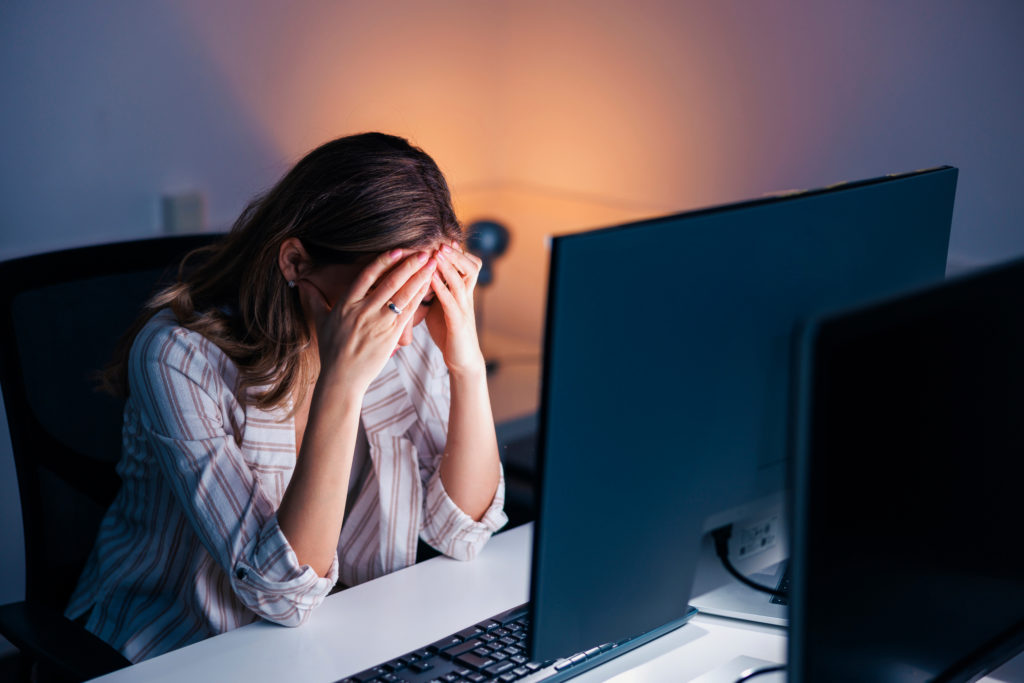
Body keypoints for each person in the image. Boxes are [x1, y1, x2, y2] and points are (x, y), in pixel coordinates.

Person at [65, 132, 507, 663]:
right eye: (382, 298)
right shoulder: (177, 357)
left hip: (333, 641)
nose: (405, 333)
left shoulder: (411, 332)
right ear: (296, 262)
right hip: (181, 647)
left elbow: (462, 532)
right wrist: (341, 384)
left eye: (420, 296)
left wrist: (466, 363)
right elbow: (281, 594)